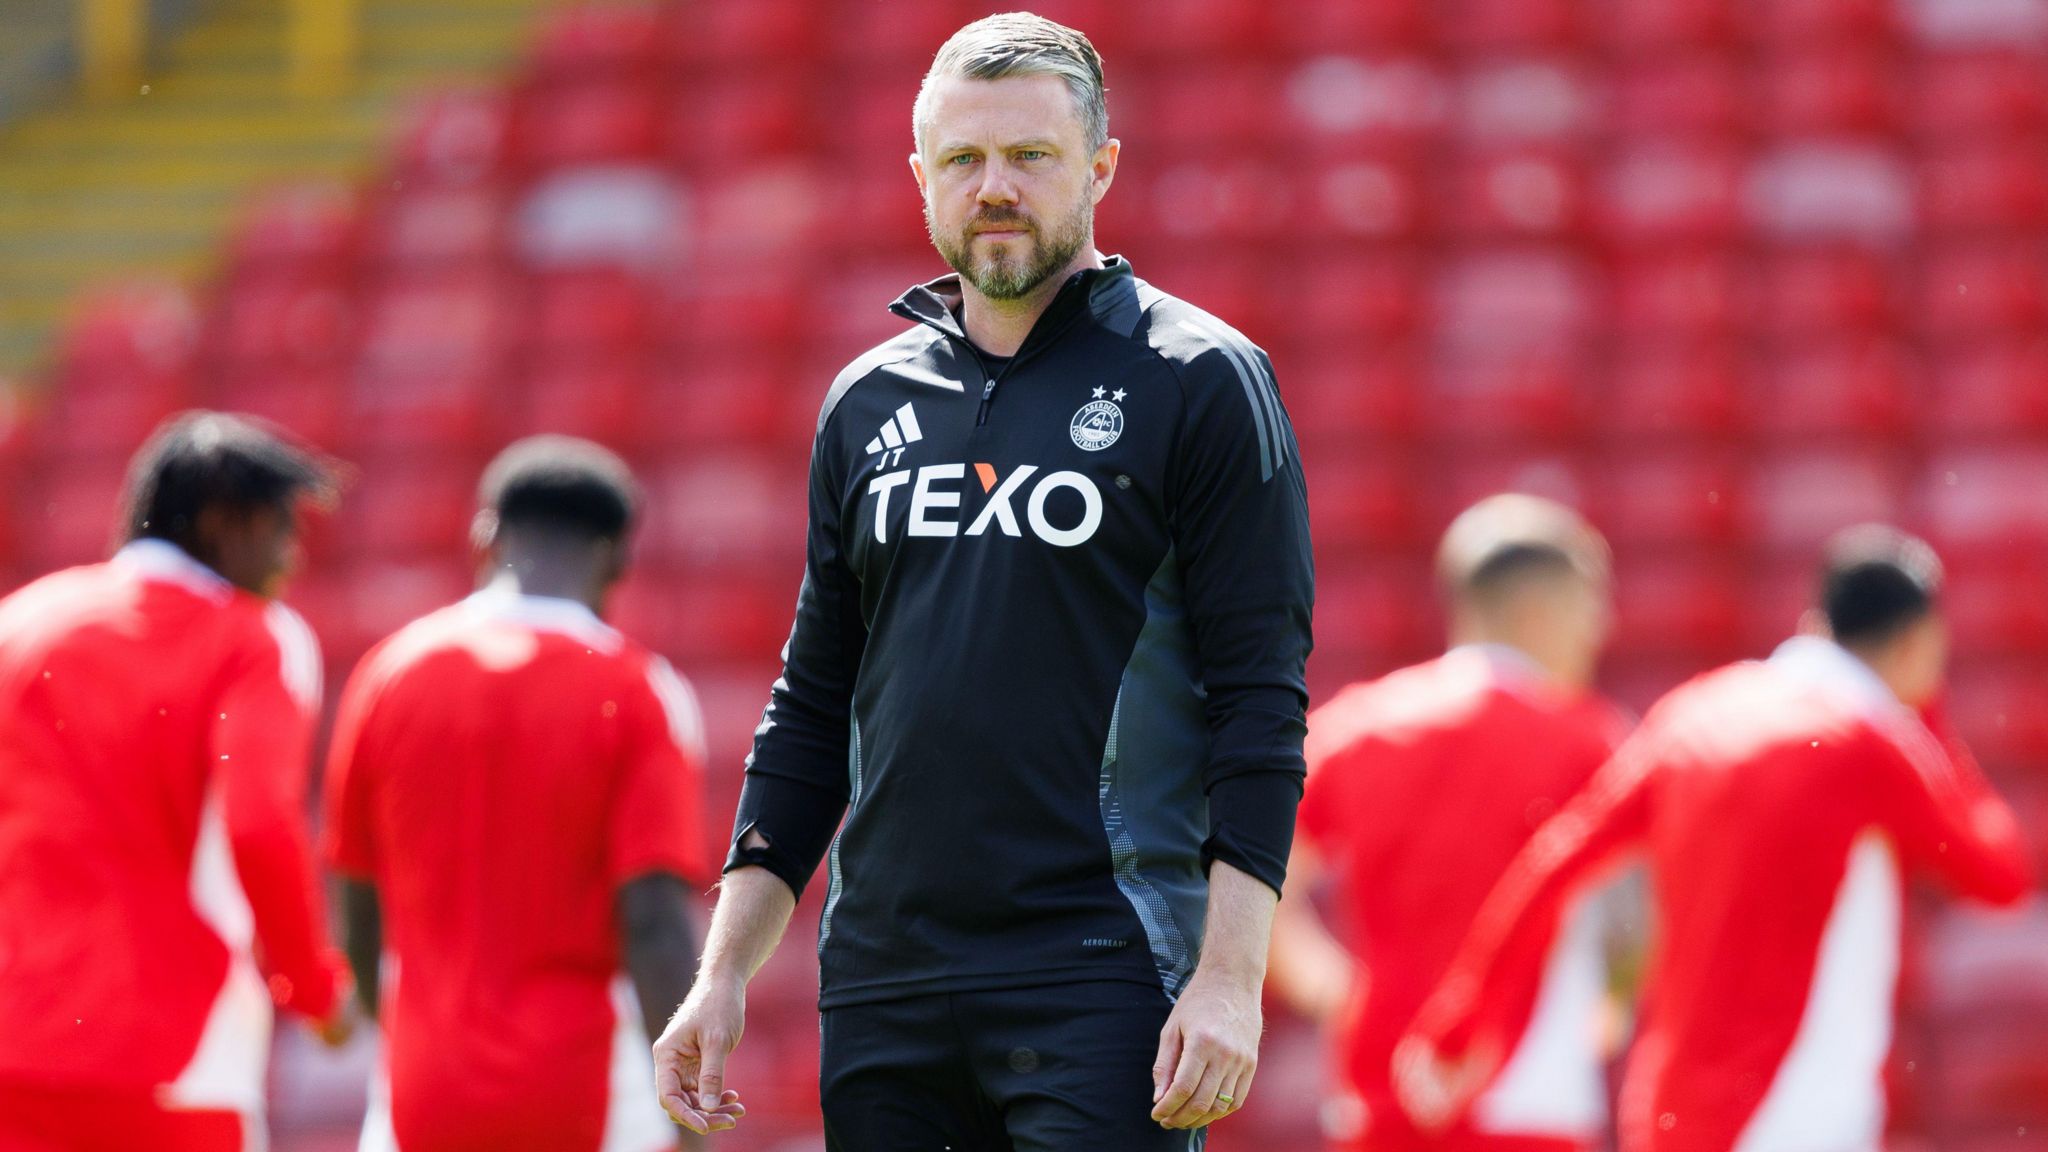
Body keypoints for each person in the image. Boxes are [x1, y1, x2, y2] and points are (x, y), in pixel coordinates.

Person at [652, 13, 1315, 1150]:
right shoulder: (863, 399)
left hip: (1101, 966)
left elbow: (1257, 699)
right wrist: (721, 975)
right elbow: (812, 708)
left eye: (1030, 157)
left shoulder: (1202, 378)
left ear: (1098, 168)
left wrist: (1227, 977)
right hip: (882, 980)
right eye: (963, 160)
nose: (993, 187)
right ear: (920, 178)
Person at [1395, 525, 2036, 1152]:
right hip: (1801, 1108)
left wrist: (1460, 1018)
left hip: (1670, 1109)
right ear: (1917, 644)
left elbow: (1557, 864)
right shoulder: (1871, 744)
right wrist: (1929, 716)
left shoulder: (1689, 715)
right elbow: (2000, 875)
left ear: (1815, 625)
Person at [323, 435, 721, 1152]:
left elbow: (355, 901)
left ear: (483, 536)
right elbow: (656, 921)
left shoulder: (388, 675)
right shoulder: (637, 693)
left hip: (421, 1095)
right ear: (617, 558)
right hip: (586, 1096)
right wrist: (690, 1117)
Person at [0, 411, 352, 1152]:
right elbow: (260, 823)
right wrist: (314, 988)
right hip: (171, 1056)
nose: (291, 559)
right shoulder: (253, 639)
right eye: (282, 530)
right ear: (226, 524)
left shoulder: (19, 624)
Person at [1268, 495, 1628, 1152]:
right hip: (1524, 1093)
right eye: (1590, 607)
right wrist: (1613, 999)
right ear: (1537, 610)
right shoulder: (1587, 741)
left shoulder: (1357, 728)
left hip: (1375, 1085)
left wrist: (1331, 991)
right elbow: (1644, 904)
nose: (1599, 630)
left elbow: (1257, 888)